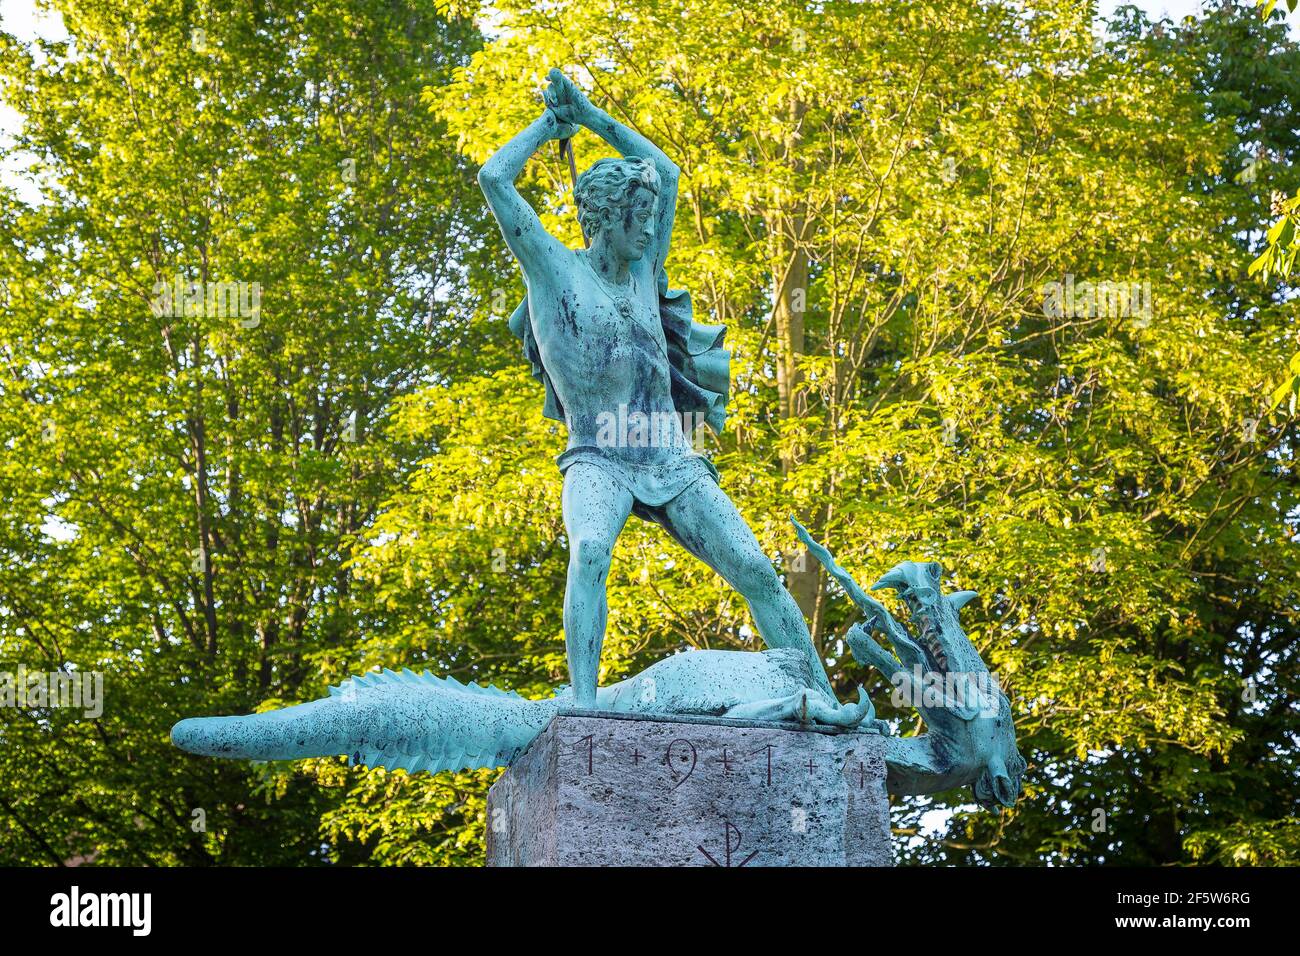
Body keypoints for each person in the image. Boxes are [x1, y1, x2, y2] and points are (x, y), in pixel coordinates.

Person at [477, 68, 843, 711]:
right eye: (636, 219)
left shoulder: (645, 271)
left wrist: (590, 116)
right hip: (596, 455)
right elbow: (493, 179)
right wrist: (549, 126)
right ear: (603, 218)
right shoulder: (552, 270)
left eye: (649, 219)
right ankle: (583, 707)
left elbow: (666, 171)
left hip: (668, 453)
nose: (649, 230)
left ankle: (823, 700)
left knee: (758, 571)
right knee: (590, 551)